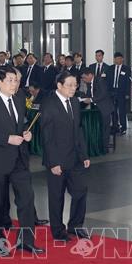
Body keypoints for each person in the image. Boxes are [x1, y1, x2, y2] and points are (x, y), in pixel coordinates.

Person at [0, 66, 44, 256]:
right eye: (10, 80)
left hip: (19, 159)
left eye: (16, 80)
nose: (14, 84)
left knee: (27, 200)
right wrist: (7, 138)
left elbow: (19, 124)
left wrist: (26, 134)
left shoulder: (20, 98)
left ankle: (26, 241)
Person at [41, 71, 90, 241]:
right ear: (59, 85)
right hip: (57, 160)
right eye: (69, 85)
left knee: (81, 191)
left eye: (75, 85)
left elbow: (79, 130)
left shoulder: (75, 103)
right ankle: (58, 230)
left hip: (75, 157)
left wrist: (84, 155)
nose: (73, 88)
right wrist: (53, 162)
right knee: (57, 196)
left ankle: (75, 225)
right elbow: (47, 137)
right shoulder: (49, 104)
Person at [80, 68, 114, 150]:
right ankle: (97, 145)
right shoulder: (89, 82)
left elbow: (103, 94)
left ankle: (104, 147)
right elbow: (89, 93)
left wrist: (91, 99)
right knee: (97, 127)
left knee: (104, 128)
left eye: (85, 77)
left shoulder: (100, 81)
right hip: (96, 108)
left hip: (104, 107)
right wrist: (83, 98)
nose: (84, 80)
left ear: (90, 75)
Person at [109, 52, 132, 135]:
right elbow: (108, 81)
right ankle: (115, 127)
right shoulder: (110, 68)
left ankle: (123, 128)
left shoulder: (126, 69)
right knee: (113, 110)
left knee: (122, 110)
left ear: (122, 59)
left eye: (119, 58)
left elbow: (128, 83)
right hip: (112, 92)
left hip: (122, 92)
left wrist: (127, 94)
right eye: (116, 58)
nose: (117, 60)